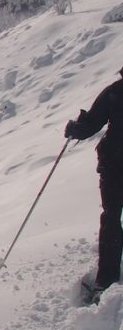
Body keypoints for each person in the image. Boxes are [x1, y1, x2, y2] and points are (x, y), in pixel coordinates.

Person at [65, 66, 123, 303]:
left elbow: (91, 124)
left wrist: (73, 129)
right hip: (113, 163)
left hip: (114, 165)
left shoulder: (115, 92)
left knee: (111, 217)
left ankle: (106, 279)